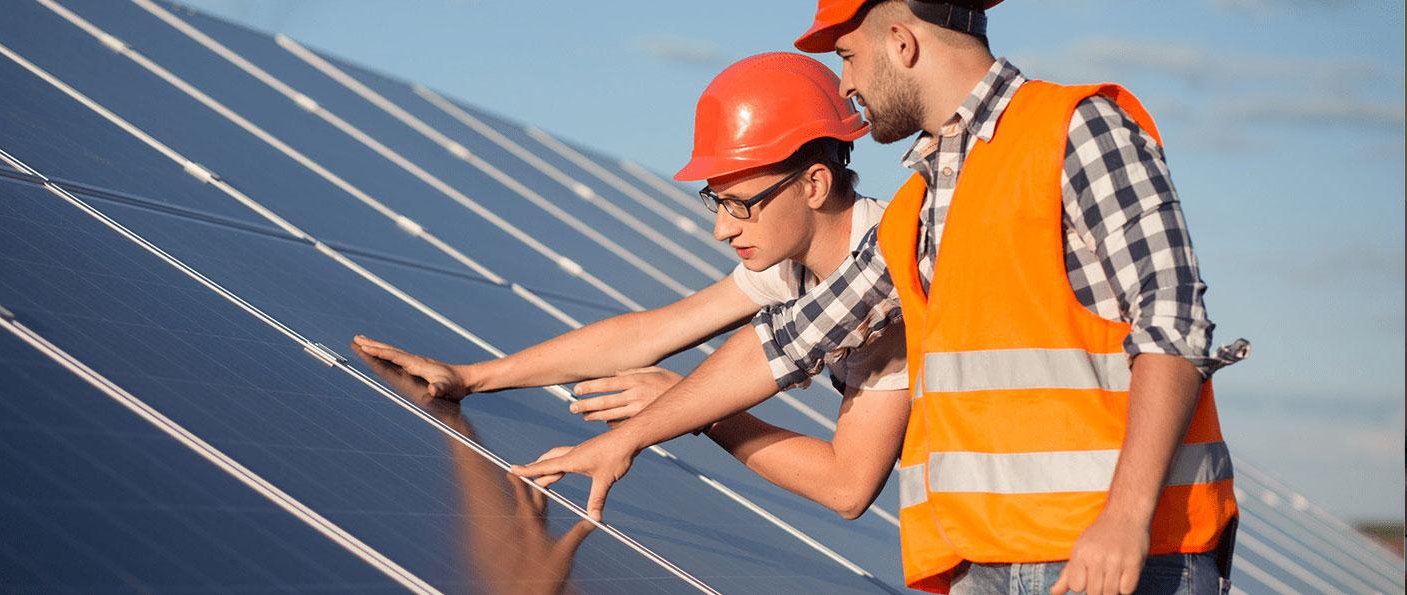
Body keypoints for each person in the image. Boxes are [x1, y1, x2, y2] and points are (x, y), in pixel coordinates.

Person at [512, 2, 1252, 595]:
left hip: (1124, 556)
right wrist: (626, 436)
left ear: (900, 41)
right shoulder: (918, 211)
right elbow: (784, 345)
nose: (844, 87)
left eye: (847, 57)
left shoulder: (1076, 131)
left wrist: (1122, 519)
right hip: (986, 562)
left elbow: (1173, 326)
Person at [357, 52, 912, 521]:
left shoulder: (892, 288)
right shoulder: (791, 263)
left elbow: (847, 486)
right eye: (716, 203)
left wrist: (700, 411)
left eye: (741, 204)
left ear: (814, 183)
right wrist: (473, 377)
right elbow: (652, 332)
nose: (722, 228)